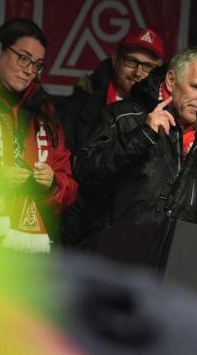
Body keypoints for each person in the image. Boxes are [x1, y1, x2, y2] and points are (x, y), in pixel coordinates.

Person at [69, 47, 197, 252]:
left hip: (173, 270)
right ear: (171, 81)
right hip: (112, 261)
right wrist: (143, 135)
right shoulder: (124, 117)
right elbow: (85, 169)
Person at [0, 18, 78, 253]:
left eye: (37, 64)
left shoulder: (44, 112)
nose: (29, 70)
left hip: (30, 254)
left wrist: (51, 183)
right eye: (23, 58)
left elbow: (68, 184)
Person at [58, 27, 165, 246]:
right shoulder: (77, 108)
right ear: (115, 59)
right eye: (131, 62)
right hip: (74, 230)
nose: (138, 72)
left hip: (128, 236)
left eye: (148, 66)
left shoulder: (163, 117)